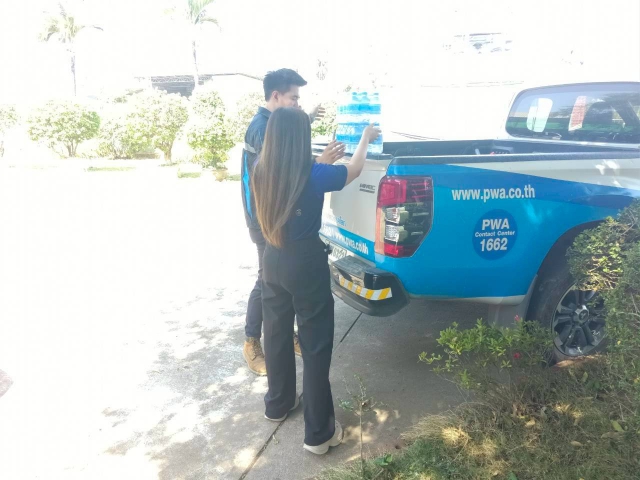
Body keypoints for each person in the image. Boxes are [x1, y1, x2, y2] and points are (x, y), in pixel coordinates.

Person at [253, 107, 380, 454]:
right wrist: (365, 139)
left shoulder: (261, 167)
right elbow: (355, 169)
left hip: (271, 258)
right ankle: (319, 434)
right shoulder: (314, 173)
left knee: (275, 333)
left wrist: (320, 163)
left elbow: (293, 181)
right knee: (315, 344)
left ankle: (277, 404)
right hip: (305, 262)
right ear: (301, 139)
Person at [241, 69, 345, 376]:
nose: (297, 104)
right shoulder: (263, 128)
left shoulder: (271, 123)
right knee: (268, 281)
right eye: (294, 98)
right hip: (267, 220)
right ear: (276, 96)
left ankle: (285, 340)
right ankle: (251, 340)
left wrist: (307, 119)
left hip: (274, 217)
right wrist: (319, 165)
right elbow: (283, 174)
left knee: (276, 284)